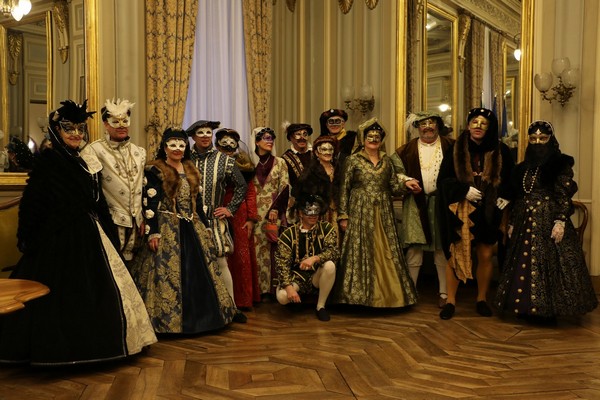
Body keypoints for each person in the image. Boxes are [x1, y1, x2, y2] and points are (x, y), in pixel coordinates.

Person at [0, 100, 157, 365]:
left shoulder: (82, 160)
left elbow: (97, 202)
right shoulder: (49, 162)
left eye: (80, 129)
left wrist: (106, 232)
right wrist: (28, 239)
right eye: (68, 128)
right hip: (56, 239)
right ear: (55, 130)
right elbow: (32, 205)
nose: (75, 134)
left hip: (88, 234)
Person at [129, 128, 238, 334]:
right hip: (167, 226)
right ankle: (168, 323)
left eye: (181, 145)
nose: (177, 149)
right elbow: (149, 203)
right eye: (173, 145)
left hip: (192, 224)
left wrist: (205, 226)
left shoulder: (190, 168)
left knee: (203, 271)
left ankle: (206, 318)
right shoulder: (156, 170)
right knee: (166, 273)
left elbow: (198, 203)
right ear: (164, 147)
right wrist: (153, 232)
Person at [494, 121, 598, 322]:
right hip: (525, 219)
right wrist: (513, 221)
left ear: (551, 139)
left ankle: (547, 310)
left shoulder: (560, 164)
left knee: (548, 262)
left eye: (543, 138)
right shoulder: (522, 168)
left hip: (548, 219)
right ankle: (522, 307)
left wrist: (560, 220)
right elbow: (518, 196)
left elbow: (563, 195)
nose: (538, 142)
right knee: (521, 261)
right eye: (533, 139)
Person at [437, 107, 514, 320]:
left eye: (483, 123)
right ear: (468, 125)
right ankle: (450, 302)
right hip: (462, 209)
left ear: (489, 128)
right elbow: (442, 181)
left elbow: (511, 178)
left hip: (490, 211)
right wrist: (463, 190)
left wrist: (506, 195)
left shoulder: (502, 150)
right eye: (474, 122)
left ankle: (481, 299)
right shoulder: (455, 149)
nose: (478, 126)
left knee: (486, 254)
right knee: (456, 254)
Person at [334, 117, 417, 308]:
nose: (373, 139)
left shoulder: (387, 161)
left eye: (377, 136)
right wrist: (343, 215)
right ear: (363, 139)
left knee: (386, 251)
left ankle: (390, 297)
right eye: (370, 136)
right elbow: (344, 189)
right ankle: (358, 298)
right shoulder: (352, 160)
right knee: (360, 250)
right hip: (359, 211)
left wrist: (406, 184)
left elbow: (392, 186)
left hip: (383, 212)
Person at [390, 112, 454, 308]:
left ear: (438, 125)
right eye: (423, 124)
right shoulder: (405, 150)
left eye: (431, 123)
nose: (428, 127)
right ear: (417, 127)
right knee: (414, 249)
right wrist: (407, 181)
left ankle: (444, 292)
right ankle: (411, 291)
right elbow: (394, 173)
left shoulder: (451, 146)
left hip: (443, 204)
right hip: (415, 204)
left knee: (441, 249)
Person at [186, 120, 248, 322]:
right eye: (200, 133)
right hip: (190, 219)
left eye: (208, 132)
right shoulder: (185, 160)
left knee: (221, 261)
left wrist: (230, 209)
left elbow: (241, 186)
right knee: (193, 263)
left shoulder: (225, 160)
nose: (205, 136)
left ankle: (232, 307)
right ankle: (200, 310)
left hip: (214, 219)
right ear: (193, 137)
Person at [81, 98, 146, 262]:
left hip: (138, 225)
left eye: (125, 120)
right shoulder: (93, 151)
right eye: (115, 121)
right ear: (106, 124)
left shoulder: (140, 152)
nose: (122, 125)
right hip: (110, 222)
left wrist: (143, 217)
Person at [215, 128, 261, 309]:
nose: (227, 148)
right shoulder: (212, 163)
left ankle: (242, 300)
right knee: (221, 255)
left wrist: (251, 218)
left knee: (241, 256)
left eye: (231, 145)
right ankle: (223, 299)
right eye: (223, 145)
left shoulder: (244, 166)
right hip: (216, 211)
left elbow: (250, 193)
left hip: (239, 214)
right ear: (217, 145)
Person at [274, 193, 338, 321]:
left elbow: (334, 252)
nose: (313, 216)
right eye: (309, 213)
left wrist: (315, 258)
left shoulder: (326, 229)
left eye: (316, 213)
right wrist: (288, 287)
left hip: (317, 275)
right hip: (296, 277)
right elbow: (282, 264)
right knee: (282, 297)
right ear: (300, 213)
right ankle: (294, 300)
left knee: (330, 265)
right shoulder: (288, 234)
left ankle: (321, 307)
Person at [249, 126, 290, 301]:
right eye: (265, 138)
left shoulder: (280, 162)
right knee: (255, 249)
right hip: (254, 212)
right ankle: (257, 291)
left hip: (273, 212)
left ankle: (272, 290)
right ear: (257, 141)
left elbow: (285, 187)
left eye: (271, 138)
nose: (270, 141)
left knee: (272, 249)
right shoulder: (249, 162)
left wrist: (276, 209)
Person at [293, 135, 342, 239]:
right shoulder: (310, 171)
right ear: (316, 152)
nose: (327, 152)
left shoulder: (338, 169)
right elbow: (300, 193)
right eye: (323, 149)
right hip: (317, 214)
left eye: (330, 149)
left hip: (336, 213)